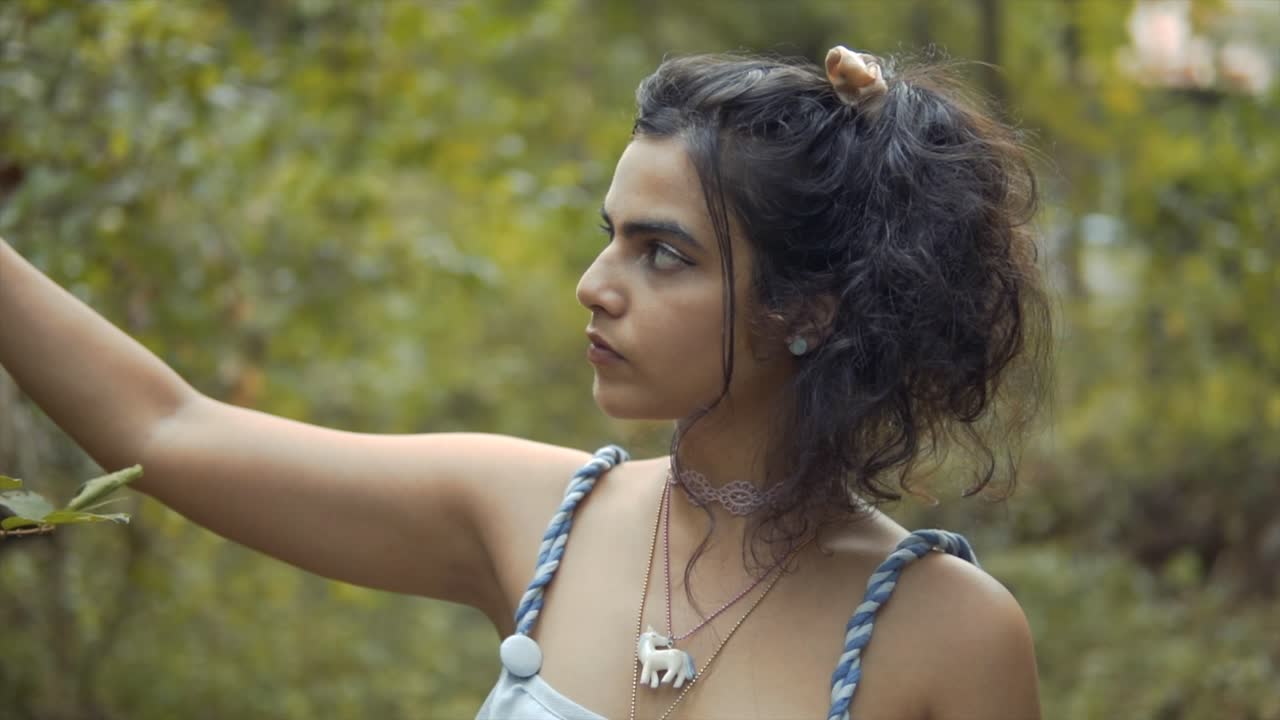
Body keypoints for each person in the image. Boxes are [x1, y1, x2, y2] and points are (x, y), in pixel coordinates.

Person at [0, 44, 1049, 720]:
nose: (594, 287)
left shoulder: (948, 636)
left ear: (806, 307)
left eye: (662, 254)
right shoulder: (537, 517)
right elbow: (164, 427)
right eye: (608, 238)